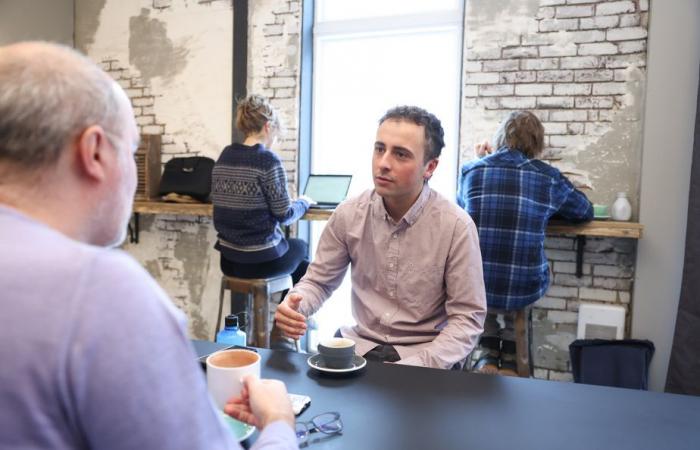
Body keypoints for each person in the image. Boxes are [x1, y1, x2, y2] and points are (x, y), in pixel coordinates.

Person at [0, 41, 296, 450]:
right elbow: (282, 212)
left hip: (229, 253)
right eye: (133, 149)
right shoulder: (100, 291)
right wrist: (279, 423)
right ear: (95, 153)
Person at [274, 106, 487, 370]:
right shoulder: (349, 214)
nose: (383, 163)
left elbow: (467, 319)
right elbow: (318, 282)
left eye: (400, 154)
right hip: (360, 345)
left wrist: (419, 364)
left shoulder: (456, 227)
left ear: (429, 167)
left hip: (426, 354)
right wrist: (297, 304)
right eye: (379, 149)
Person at [457, 110, 593, 376]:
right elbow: (584, 211)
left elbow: (463, 209)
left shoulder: (471, 171)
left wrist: (481, 160)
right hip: (523, 288)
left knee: (482, 283)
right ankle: (510, 348)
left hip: (476, 286)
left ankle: (487, 348)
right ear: (537, 143)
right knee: (520, 283)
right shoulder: (547, 177)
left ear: (499, 138)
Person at [212, 94, 313, 285]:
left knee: (301, 266)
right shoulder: (268, 160)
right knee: (301, 248)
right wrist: (304, 202)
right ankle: (283, 315)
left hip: (228, 261)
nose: (274, 139)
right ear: (268, 126)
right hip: (259, 262)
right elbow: (285, 214)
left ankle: (281, 315)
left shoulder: (225, 155)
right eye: (275, 133)